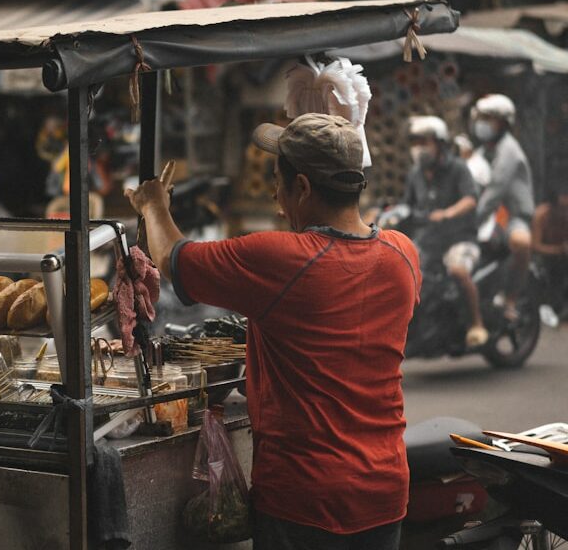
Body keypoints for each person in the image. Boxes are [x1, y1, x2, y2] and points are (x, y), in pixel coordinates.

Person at [126, 114, 420, 549]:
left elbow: (174, 259)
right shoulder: (403, 254)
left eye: (277, 181)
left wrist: (153, 205)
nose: (274, 195)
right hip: (384, 490)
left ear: (301, 188)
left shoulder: (281, 259)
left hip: (304, 498)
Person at [403, 116, 487, 347]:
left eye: (424, 141)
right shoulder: (414, 174)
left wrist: (448, 213)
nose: (419, 147)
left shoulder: (458, 168)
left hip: (459, 238)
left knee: (459, 271)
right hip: (428, 239)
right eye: (415, 142)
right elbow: (407, 205)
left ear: (439, 143)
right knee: (401, 271)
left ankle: (476, 324)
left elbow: (471, 199)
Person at [471, 94, 535, 320]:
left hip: (512, 217)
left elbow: (494, 191)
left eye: (490, 118)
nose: (483, 123)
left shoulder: (509, 150)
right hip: (489, 217)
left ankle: (510, 299)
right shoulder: (481, 152)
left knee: (521, 242)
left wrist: (472, 221)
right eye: (481, 118)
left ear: (505, 123)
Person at [531, 184, 568, 326]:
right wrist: (559, 249)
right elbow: (535, 246)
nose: (565, 212)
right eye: (563, 209)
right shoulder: (541, 215)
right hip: (543, 257)